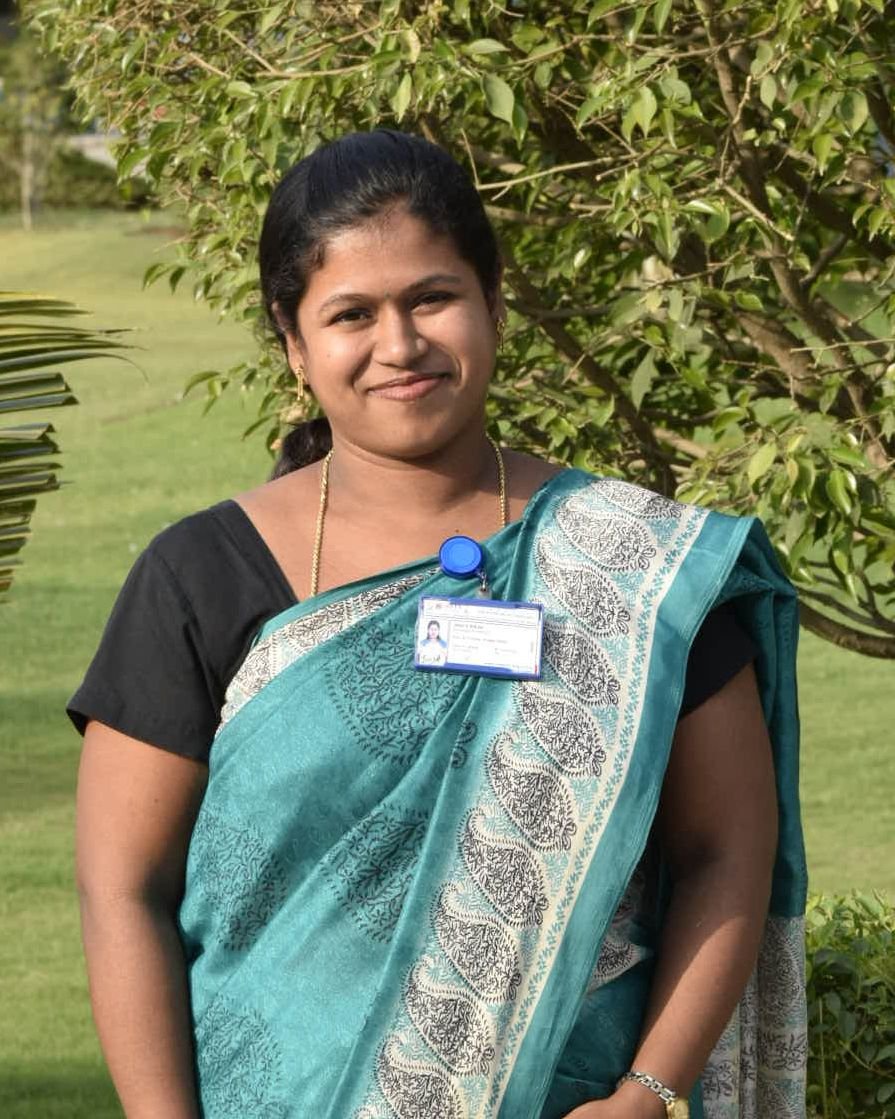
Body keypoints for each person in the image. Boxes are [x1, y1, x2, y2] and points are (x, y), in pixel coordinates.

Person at [70, 130, 807, 1119]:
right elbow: (122, 887)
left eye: (431, 298)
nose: (400, 345)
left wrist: (645, 1092)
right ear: (294, 343)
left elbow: (727, 846)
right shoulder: (200, 575)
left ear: (494, 305)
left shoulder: (635, 565)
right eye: (351, 314)